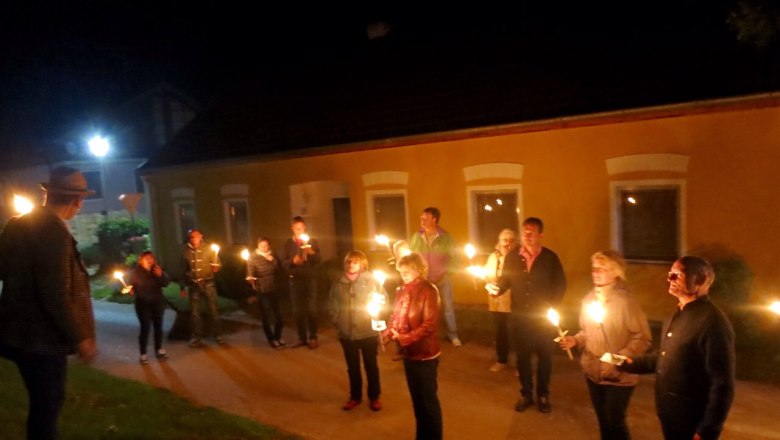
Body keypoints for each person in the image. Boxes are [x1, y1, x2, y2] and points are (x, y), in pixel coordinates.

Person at [0, 166, 98, 440]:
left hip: (15, 335)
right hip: (42, 341)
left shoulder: (17, 224)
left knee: (42, 404)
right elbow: (53, 292)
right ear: (76, 200)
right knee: (47, 407)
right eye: (80, 200)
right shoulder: (54, 232)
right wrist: (80, 338)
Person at [620, 256, 735, 440]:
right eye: (670, 274)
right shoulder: (678, 314)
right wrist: (630, 363)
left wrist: (707, 430)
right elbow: (666, 355)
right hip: (671, 414)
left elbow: (722, 384)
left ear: (700, 280)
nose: (669, 279)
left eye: (677, 275)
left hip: (692, 418)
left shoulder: (712, 323)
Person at [559, 250, 652, 440]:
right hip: (593, 371)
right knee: (603, 419)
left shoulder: (625, 302)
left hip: (619, 373)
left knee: (615, 421)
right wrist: (575, 340)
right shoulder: (589, 299)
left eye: (602, 269)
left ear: (616, 272)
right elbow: (587, 331)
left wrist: (618, 360)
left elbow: (643, 338)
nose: (596, 272)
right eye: (594, 268)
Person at [487, 217, 566, 413]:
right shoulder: (513, 257)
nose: (528, 236)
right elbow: (505, 280)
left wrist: (552, 305)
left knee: (544, 357)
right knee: (522, 358)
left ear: (540, 235)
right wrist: (496, 289)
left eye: (532, 232)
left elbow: (561, 284)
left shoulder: (550, 258)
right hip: (520, 318)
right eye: (524, 233)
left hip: (542, 319)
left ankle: (543, 394)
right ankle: (526, 394)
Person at [383, 253, 442, 440]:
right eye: (401, 271)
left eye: (407, 271)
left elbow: (429, 325)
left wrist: (405, 338)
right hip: (409, 354)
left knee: (428, 403)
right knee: (417, 402)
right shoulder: (401, 289)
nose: (403, 274)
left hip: (425, 354)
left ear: (418, 269)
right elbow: (396, 315)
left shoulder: (428, 290)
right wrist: (389, 331)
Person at [329, 251, 388, 411]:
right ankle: (355, 396)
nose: (351, 265)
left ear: (362, 264)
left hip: (367, 331)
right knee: (352, 366)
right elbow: (333, 302)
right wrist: (337, 320)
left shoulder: (372, 281)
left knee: (371, 365)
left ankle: (374, 396)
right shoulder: (339, 283)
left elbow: (384, 301)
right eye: (348, 262)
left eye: (355, 262)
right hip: (347, 334)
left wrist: (380, 307)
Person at [409, 207, 461, 347]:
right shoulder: (417, 237)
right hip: (424, 280)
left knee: (448, 307)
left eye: (425, 218)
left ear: (434, 219)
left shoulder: (445, 237)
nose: (422, 220)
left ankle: (453, 335)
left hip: (443, 279)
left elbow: (455, 257)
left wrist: (448, 272)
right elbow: (412, 257)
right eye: (421, 218)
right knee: (424, 308)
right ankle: (426, 335)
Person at [280, 216, 322, 349]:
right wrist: (293, 261)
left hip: (310, 280)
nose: (299, 230)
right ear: (292, 228)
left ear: (304, 228)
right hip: (295, 280)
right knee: (298, 311)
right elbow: (283, 262)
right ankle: (301, 338)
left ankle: (313, 337)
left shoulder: (312, 241)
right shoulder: (288, 244)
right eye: (297, 227)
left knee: (312, 309)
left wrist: (312, 253)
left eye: (302, 227)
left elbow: (318, 260)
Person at [182, 229, 223, 347]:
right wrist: (183, 286)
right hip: (194, 285)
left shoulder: (209, 249)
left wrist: (216, 267)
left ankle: (218, 335)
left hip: (208, 284)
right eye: (191, 237)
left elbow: (218, 264)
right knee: (195, 313)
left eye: (195, 236)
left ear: (201, 236)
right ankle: (196, 337)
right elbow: (183, 269)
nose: (193, 238)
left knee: (214, 310)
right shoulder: (186, 251)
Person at [128, 251, 171, 365]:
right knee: (145, 328)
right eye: (146, 258)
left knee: (158, 327)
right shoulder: (135, 272)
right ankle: (143, 353)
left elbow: (166, 283)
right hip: (143, 304)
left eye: (151, 258)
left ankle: (159, 349)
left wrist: (161, 275)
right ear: (141, 260)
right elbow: (131, 287)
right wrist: (131, 290)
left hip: (157, 303)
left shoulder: (156, 270)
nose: (149, 260)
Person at [483, 228, 516, 372]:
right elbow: (487, 275)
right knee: (500, 332)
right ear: (499, 242)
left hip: (514, 303)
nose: (507, 243)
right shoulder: (493, 257)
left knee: (516, 333)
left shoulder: (517, 258)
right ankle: (502, 360)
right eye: (504, 240)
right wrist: (488, 284)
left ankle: (521, 364)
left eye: (511, 240)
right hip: (497, 303)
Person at [246, 237, 286, 348]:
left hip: (274, 288)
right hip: (262, 290)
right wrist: (250, 280)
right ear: (258, 246)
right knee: (266, 316)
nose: (264, 248)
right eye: (262, 245)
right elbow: (250, 274)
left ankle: (278, 336)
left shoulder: (273, 255)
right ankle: (271, 339)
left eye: (266, 245)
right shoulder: (253, 258)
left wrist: (272, 260)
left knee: (279, 316)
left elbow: (279, 269)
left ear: (269, 246)